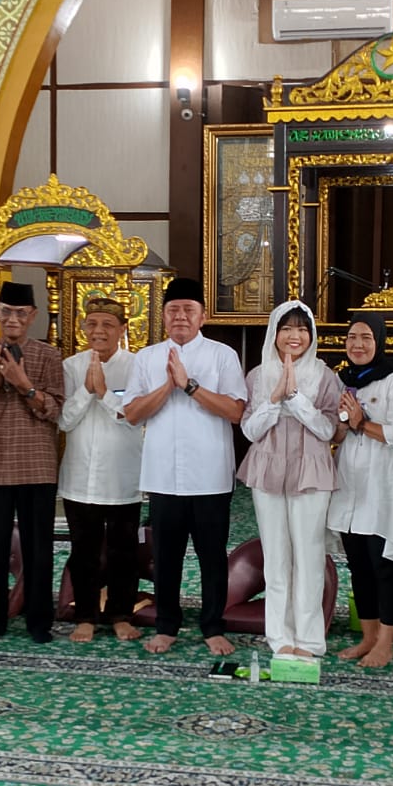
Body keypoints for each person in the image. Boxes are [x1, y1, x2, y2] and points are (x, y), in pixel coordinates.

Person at [121, 277, 247, 656]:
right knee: (167, 557)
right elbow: (132, 413)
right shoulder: (146, 358)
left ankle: (213, 626)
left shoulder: (222, 355)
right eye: (173, 310)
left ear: (202, 316)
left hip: (210, 475)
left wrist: (189, 386)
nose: (180, 316)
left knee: (212, 557)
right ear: (163, 316)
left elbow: (236, 411)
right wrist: (167, 387)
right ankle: (167, 626)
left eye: (188, 310)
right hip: (163, 475)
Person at [0, 280, 63, 643]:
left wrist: (22, 383)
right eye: (6, 312)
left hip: (37, 465)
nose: (13, 319)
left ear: (33, 316)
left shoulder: (48, 356)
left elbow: (55, 409)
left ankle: (39, 621)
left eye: (20, 313)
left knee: (38, 548)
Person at [239, 301, 342, 657]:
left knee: (309, 557)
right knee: (276, 557)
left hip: (310, 472)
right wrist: (273, 399)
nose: (294, 336)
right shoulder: (257, 375)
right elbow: (250, 430)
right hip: (266, 471)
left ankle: (309, 640)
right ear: (274, 333)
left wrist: (295, 398)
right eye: (286, 328)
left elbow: (328, 430)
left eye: (301, 329)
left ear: (311, 335)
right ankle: (279, 638)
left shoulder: (325, 376)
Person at [330, 314, 393, 668]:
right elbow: (337, 433)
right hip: (350, 486)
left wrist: (362, 423)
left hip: (384, 488)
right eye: (352, 337)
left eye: (366, 338)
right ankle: (367, 637)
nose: (357, 344)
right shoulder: (343, 380)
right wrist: (341, 426)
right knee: (358, 566)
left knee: (384, 567)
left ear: (379, 341)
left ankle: (386, 642)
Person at [58, 296, 143, 642]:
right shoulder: (70, 366)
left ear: (122, 329)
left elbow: (135, 417)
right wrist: (86, 391)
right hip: (80, 477)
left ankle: (121, 615)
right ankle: (86, 617)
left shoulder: (137, 366)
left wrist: (105, 393)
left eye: (108, 324)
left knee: (124, 551)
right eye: (92, 323)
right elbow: (63, 421)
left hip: (123, 475)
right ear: (83, 328)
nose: (99, 330)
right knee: (84, 552)